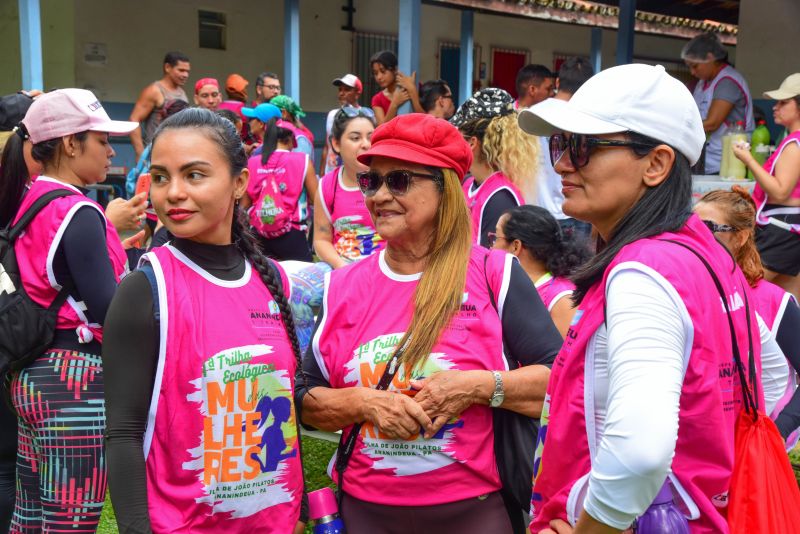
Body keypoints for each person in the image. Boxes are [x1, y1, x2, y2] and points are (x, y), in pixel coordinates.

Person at [518, 63, 760, 533]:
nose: (563, 163)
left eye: (583, 146)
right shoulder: (705, 251)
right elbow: (768, 376)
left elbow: (641, 450)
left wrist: (594, 527)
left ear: (656, 164)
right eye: (559, 144)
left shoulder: (643, 270)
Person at [297, 113, 562, 533]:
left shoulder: (495, 273)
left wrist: (476, 387)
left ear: (445, 190)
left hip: (474, 514)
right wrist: (366, 403)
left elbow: (560, 381)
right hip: (367, 513)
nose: (379, 195)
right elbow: (306, 400)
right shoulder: (341, 287)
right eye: (371, 181)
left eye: (398, 180)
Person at [103, 108, 304, 533]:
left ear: (239, 184)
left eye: (194, 175)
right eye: (160, 177)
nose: (173, 192)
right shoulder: (145, 288)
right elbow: (122, 435)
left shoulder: (274, 282)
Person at [0, 88, 137, 532]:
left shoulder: (28, 200)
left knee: (30, 516)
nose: (109, 150)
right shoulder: (78, 212)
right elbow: (109, 310)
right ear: (70, 144)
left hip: (29, 375)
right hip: (73, 384)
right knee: (71, 520)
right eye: (101, 140)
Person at [694, 187, 800, 449]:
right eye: (691, 226)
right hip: (704, 446)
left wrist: (778, 430)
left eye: (708, 228)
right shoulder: (688, 291)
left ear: (739, 237)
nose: (695, 236)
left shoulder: (773, 301)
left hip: (757, 449)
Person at [731, 73, 800, 299]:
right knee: (787, 300)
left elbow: (780, 191)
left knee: (742, 291)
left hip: (782, 229)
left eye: (783, 102)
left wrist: (747, 159)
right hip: (791, 228)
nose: (775, 107)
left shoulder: (794, 145)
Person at [451, 88, 537, 247]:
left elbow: (488, 264)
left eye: (457, 136)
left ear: (472, 143)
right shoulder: (470, 183)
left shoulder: (500, 198)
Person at [492, 205, 590, 338]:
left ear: (516, 246)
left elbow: (566, 355)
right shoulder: (510, 285)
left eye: (496, 238)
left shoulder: (561, 298)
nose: (491, 247)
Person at [531, 58, 595, 241]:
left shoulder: (532, 115)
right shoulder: (586, 119)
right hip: (575, 210)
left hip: (536, 211)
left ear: (557, 82)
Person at [313, 107, 383, 268]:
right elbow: (321, 240)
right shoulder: (327, 186)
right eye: (355, 138)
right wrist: (343, 269)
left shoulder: (392, 182)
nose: (366, 144)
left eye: (371, 137)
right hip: (344, 274)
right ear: (336, 144)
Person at [243, 114, 317, 262]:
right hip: (293, 234)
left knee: (264, 280)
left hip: (259, 233)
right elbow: (316, 199)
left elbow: (245, 204)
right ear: (290, 140)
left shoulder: (252, 162)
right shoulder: (302, 160)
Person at [682, 32, 754, 174]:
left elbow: (712, 123)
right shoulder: (702, 83)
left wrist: (678, 129)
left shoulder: (727, 82)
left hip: (727, 159)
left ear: (710, 58)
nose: (692, 72)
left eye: (695, 66)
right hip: (707, 156)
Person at [129, 51, 190, 159]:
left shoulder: (182, 93)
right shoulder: (154, 91)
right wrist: (140, 153)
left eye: (187, 71)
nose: (185, 75)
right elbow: (134, 119)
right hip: (156, 154)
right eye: (181, 70)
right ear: (167, 67)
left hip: (177, 153)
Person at [321, 74, 365, 175]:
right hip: (331, 173)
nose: (341, 93)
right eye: (340, 89)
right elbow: (327, 147)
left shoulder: (364, 116)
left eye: (347, 90)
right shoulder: (332, 115)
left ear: (357, 93)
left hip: (353, 175)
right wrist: (322, 174)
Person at [369, 50, 423, 124]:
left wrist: (412, 90)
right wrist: (394, 103)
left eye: (383, 71)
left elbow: (426, 119)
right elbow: (381, 129)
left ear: (395, 69)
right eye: (375, 73)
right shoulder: (377, 99)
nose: (379, 77)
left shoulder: (416, 86)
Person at [270, 95, 315, 164]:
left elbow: (299, 168)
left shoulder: (299, 139)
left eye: (272, 112)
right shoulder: (280, 135)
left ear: (284, 113)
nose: (269, 116)